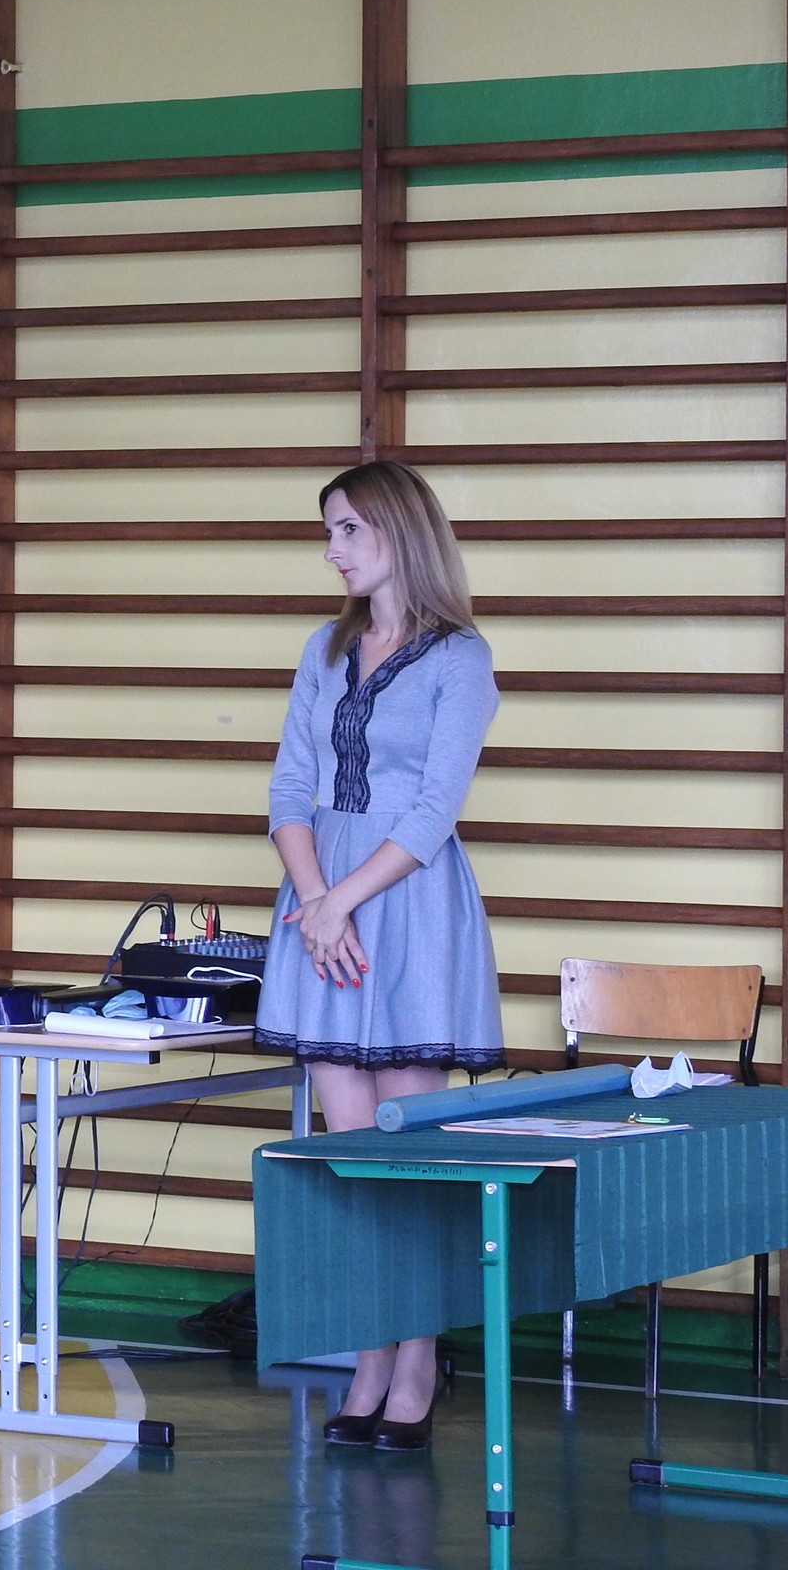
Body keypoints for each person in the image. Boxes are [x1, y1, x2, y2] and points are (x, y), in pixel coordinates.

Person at [254, 459, 503, 1452]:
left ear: (399, 532)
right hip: (323, 907)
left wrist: (339, 903)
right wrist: (316, 901)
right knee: (351, 1164)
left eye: (347, 528)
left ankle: (417, 1363)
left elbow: (434, 810)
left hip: (406, 907)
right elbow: (289, 790)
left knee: (410, 1162)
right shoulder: (324, 649)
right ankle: (367, 1359)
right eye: (329, 530)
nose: (332, 549)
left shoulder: (460, 659)